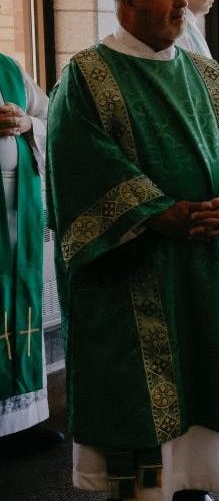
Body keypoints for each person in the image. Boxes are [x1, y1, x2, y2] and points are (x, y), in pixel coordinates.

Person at [47, 0, 219, 501]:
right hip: (134, 268)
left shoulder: (205, 73)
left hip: (203, 263)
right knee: (138, 390)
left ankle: (194, 482)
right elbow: (78, 161)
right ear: (127, 2)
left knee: (201, 373)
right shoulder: (87, 75)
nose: (183, 0)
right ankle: (141, 488)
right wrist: (158, 214)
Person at [0, 59, 60, 456]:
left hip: (17, 209)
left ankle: (23, 422)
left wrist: (26, 125)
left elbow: (51, 114)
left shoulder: (8, 69)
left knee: (22, 305)